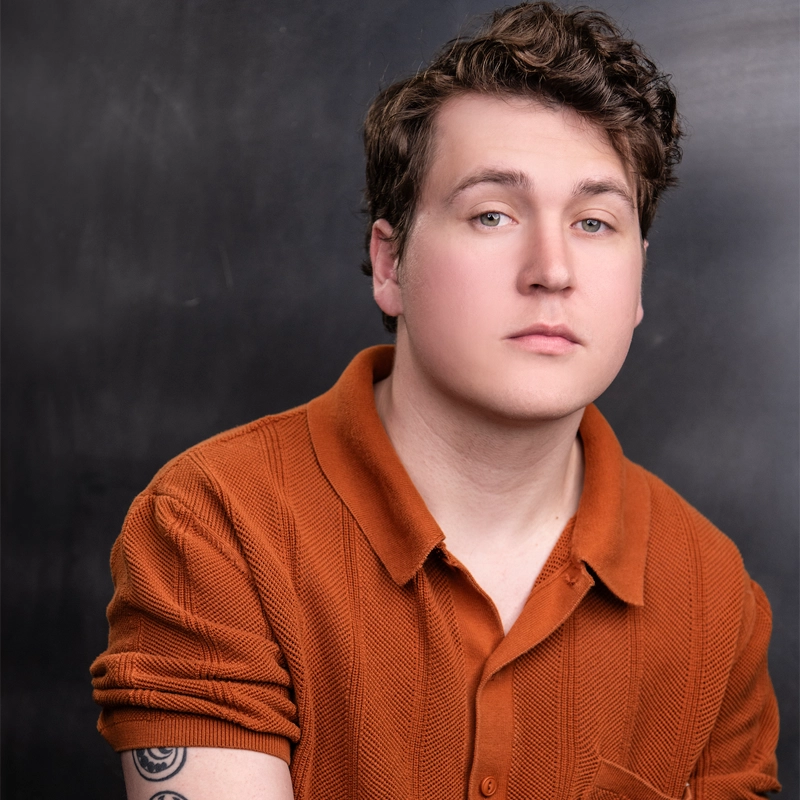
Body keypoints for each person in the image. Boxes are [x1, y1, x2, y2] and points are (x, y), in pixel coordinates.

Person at [91, 3, 781, 798]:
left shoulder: (714, 597)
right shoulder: (215, 525)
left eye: (595, 223)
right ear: (390, 263)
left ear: (636, 282)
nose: (552, 268)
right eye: (492, 213)